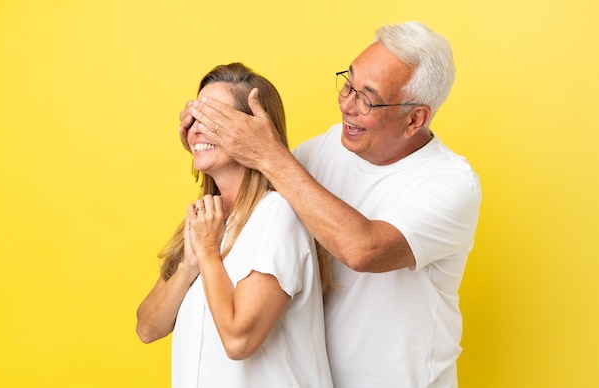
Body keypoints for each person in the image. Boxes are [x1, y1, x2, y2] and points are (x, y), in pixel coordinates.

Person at [182, 22, 482, 387]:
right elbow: (254, 189)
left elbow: (364, 249)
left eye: (367, 98)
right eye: (348, 84)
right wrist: (209, 141)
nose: (346, 104)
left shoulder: (449, 183)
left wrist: (271, 158)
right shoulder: (323, 151)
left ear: (415, 118)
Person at [136, 63, 333, 387]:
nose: (197, 128)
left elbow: (239, 340)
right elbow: (147, 328)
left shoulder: (277, 215)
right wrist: (189, 263)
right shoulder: (207, 222)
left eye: (215, 118)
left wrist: (209, 253)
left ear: (254, 131)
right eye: (195, 116)